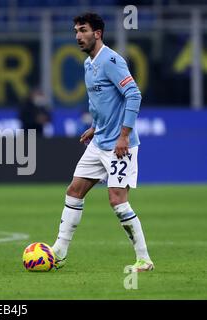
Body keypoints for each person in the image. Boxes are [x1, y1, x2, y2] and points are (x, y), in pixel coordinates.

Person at [51, 13, 154, 272]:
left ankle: (144, 260)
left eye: (83, 30)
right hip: (99, 142)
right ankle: (59, 252)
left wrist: (124, 135)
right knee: (74, 191)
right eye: (75, 30)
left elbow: (133, 95)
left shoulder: (110, 60)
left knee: (117, 201)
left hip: (120, 145)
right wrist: (95, 127)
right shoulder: (88, 64)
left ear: (97, 33)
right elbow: (98, 100)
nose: (77, 36)